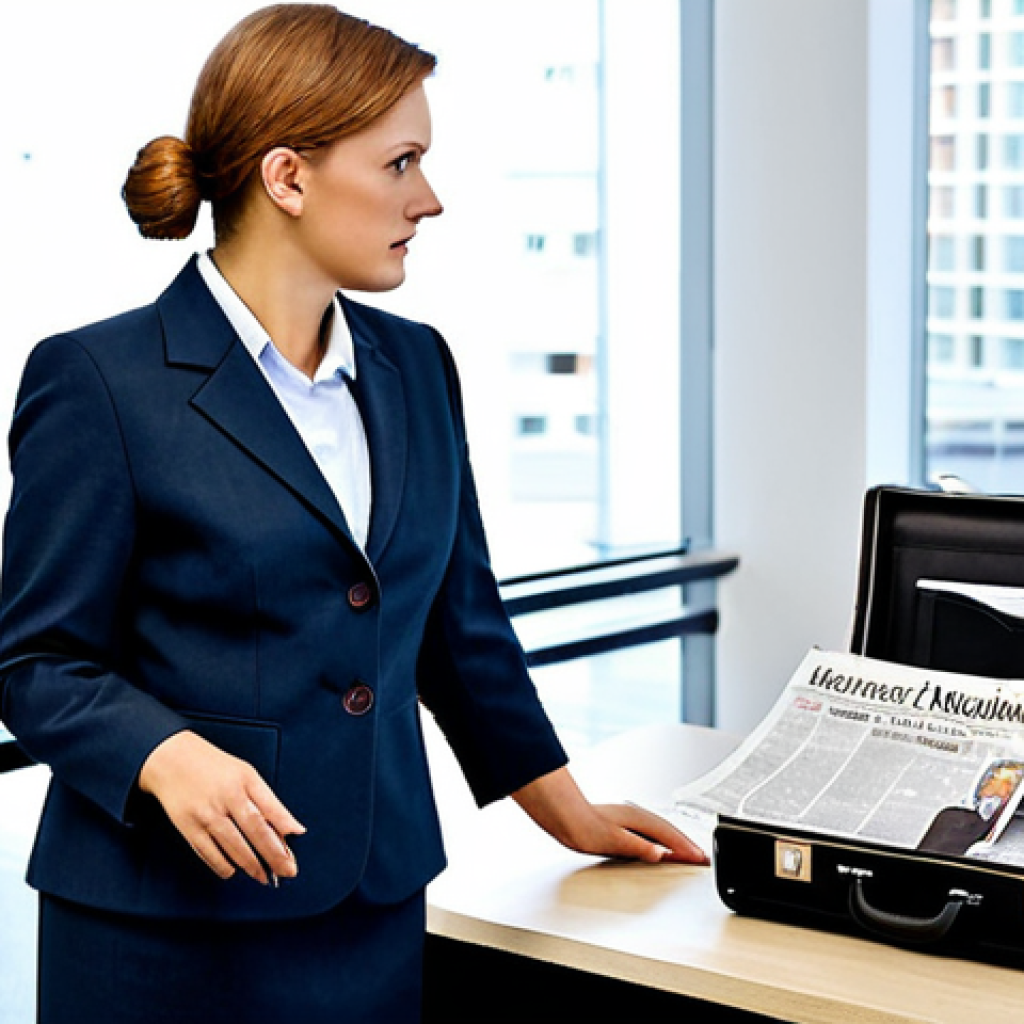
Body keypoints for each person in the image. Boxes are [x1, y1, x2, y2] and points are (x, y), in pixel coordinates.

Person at [0, 6, 706, 1023]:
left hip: (371, 907)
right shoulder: (98, 379)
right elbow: (35, 663)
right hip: (162, 934)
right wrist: (162, 750)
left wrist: (569, 810)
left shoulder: (416, 364)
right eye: (401, 163)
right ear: (287, 177)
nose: (430, 199)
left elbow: (461, 630)